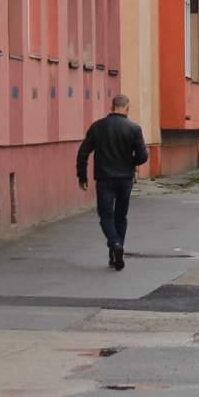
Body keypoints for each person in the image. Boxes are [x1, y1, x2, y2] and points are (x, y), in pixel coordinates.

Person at [77, 95, 149, 271]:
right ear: (127, 108)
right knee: (121, 216)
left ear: (112, 106)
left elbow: (83, 153)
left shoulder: (98, 127)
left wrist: (82, 176)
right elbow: (143, 156)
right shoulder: (134, 128)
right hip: (125, 179)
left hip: (104, 178)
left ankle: (114, 243)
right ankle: (117, 250)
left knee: (105, 215)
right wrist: (131, 163)